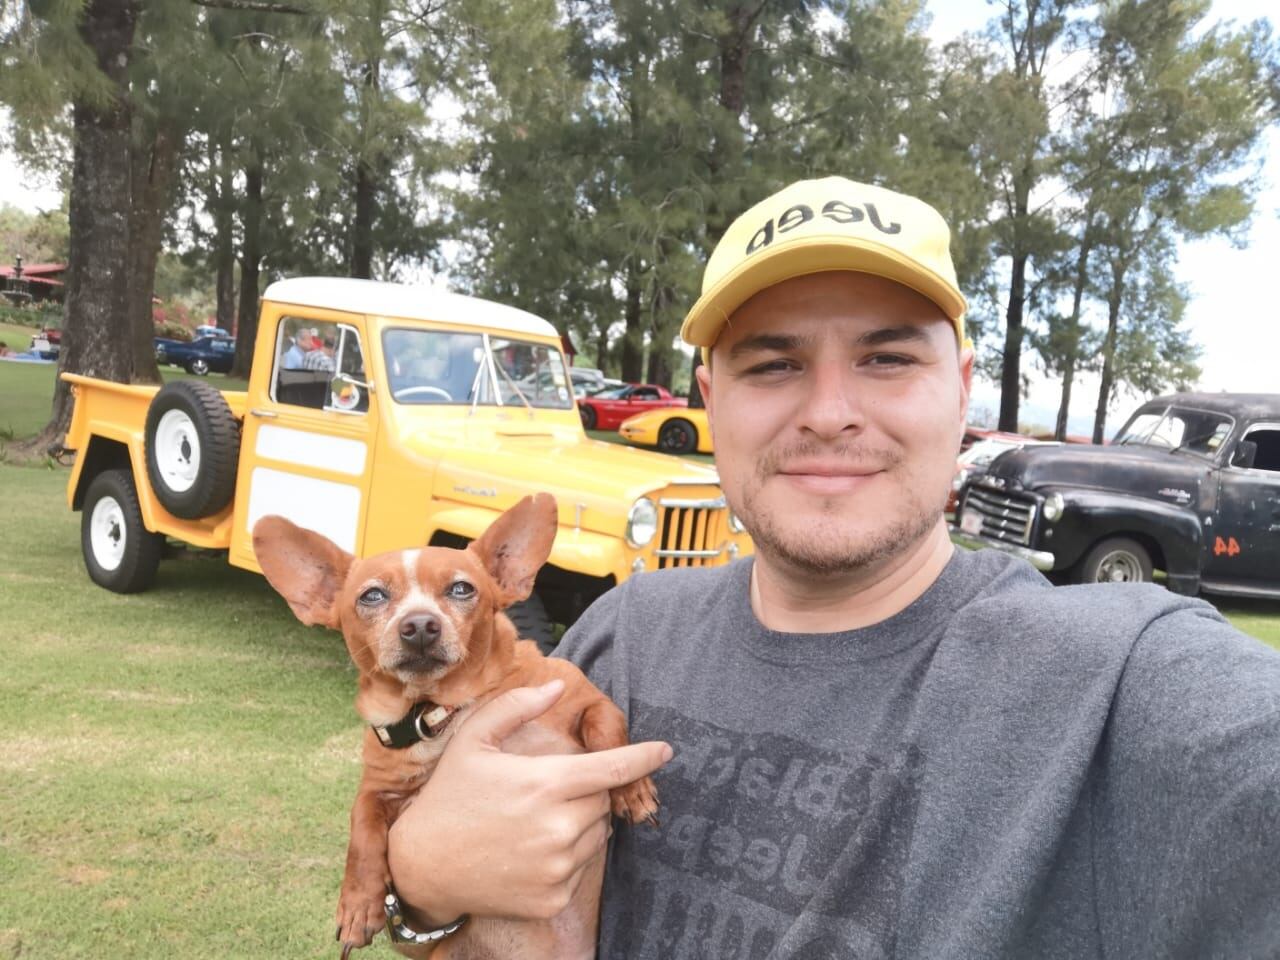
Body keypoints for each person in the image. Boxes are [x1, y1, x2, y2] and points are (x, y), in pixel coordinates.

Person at [387, 176, 1280, 958]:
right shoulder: (626, 631)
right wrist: (419, 882)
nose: (828, 412)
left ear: (962, 389)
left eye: (886, 358)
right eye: (773, 363)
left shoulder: (1124, 682)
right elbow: (473, 900)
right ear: (711, 400)